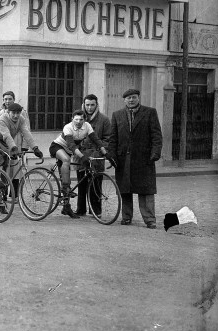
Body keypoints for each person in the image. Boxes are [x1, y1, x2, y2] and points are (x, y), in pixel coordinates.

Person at [107, 88, 163, 229]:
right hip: (123, 159)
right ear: (124, 100)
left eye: (133, 97)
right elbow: (113, 139)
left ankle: (149, 219)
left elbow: (156, 135)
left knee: (146, 190)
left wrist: (155, 153)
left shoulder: (150, 112)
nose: (131, 100)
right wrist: (112, 156)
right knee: (125, 189)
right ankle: (126, 217)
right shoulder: (117, 115)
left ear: (138, 98)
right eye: (128, 98)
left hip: (144, 159)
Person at [49, 110, 107, 219]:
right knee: (66, 160)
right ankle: (66, 188)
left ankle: (66, 207)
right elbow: (71, 145)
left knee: (70, 168)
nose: (79, 122)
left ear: (84, 120)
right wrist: (82, 157)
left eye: (81, 119)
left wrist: (105, 153)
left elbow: (96, 140)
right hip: (58, 147)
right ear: (72, 119)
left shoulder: (87, 126)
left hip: (71, 150)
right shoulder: (68, 127)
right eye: (76, 119)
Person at [0, 102, 44, 197]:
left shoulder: (21, 119)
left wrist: (35, 148)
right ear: (8, 112)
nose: (16, 116)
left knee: (7, 164)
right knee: (1, 156)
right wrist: (14, 148)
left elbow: (26, 133)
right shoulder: (2, 119)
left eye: (18, 113)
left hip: (7, 141)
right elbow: (6, 135)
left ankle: (1, 191)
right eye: (13, 113)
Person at [76, 94, 111, 216]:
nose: (89, 108)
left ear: (96, 105)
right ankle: (80, 209)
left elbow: (108, 139)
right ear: (83, 105)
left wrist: (99, 150)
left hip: (96, 155)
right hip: (81, 155)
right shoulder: (79, 118)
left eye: (92, 105)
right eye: (87, 105)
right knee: (81, 182)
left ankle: (95, 210)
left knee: (96, 183)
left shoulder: (104, 120)